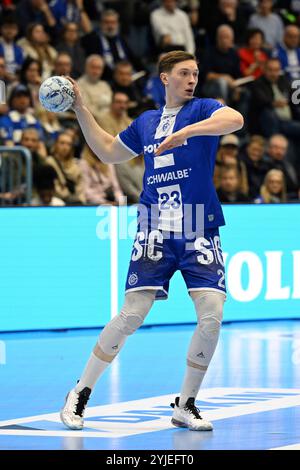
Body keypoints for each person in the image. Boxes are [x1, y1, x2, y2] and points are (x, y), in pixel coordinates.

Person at [60, 50, 243, 431]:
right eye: (183, 73)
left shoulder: (204, 109)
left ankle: (186, 404)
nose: (191, 80)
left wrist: (187, 132)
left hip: (198, 225)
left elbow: (235, 119)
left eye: (195, 73)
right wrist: (80, 109)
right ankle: (80, 392)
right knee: (131, 316)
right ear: (164, 78)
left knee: (212, 317)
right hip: (154, 225)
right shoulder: (145, 122)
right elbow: (109, 151)